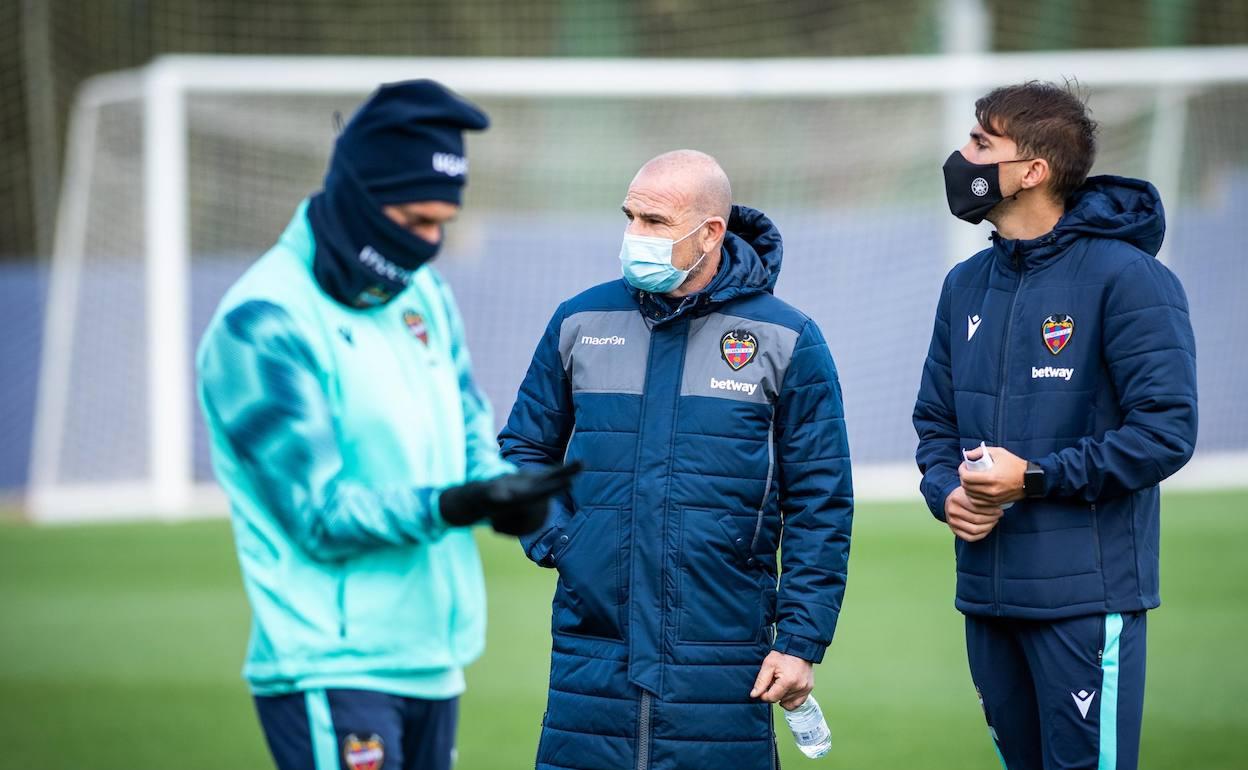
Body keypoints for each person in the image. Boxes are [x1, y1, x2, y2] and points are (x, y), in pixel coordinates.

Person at [197, 80, 577, 770]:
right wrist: (454, 506)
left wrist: (508, 494)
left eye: (442, 225)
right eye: (415, 220)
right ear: (361, 196)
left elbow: (466, 431)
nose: (429, 245)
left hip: (433, 654)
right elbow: (319, 515)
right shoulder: (262, 323)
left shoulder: (422, 294)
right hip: (330, 662)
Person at [499, 149, 854, 770]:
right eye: (630, 216)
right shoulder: (579, 320)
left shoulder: (787, 338)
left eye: (655, 222)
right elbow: (523, 449)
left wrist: (801, 641)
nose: (636, 234)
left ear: (710, 232)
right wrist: (564, 542)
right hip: (592, 646)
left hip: (723, 645)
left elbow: (819, 501)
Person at [914, 81, 1198, 770]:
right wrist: (945, 490)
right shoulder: (966, 283)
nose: (962, 156)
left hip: (1083, 600)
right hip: (986, 596)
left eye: (982, 143)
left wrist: (1036, 479)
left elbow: (1165, 432)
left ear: (1033, 171)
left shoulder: (1130, 279)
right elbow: (935, 421)